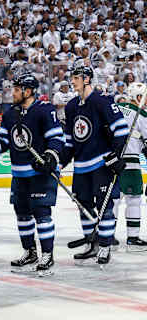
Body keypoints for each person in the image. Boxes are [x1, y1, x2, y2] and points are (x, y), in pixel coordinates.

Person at [61, 63, 128, 266]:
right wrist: (59, 162)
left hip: (101, 164)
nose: (72, 81)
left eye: (76, 77)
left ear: (87, 79)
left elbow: (121, 130)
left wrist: (116, 155)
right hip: (81, 166)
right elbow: (70, 140)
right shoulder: (71, 106)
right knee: (84, 207)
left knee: (105, 207)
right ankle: (92, 244)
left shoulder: (102, 102)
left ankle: (105, 245)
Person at [0, 73, 65, 276]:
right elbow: (2, 142)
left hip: (40, 173)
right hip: (19, 174)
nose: (13, 93)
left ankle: (47, 254)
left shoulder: (44, 110)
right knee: (22, 214)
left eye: (17, 89)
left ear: (27, 91)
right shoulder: (10, 114)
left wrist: (49, 156)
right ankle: (29, 251)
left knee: (42, 214)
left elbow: (56, 138)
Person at [113, 82, 147, 251]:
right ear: (138, 98)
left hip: (111, 161)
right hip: (130, 162)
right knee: (133, 200)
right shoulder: (142, 115)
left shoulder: (115, 108)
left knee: (113, 199)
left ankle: (107, 237)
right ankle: (132, 239)